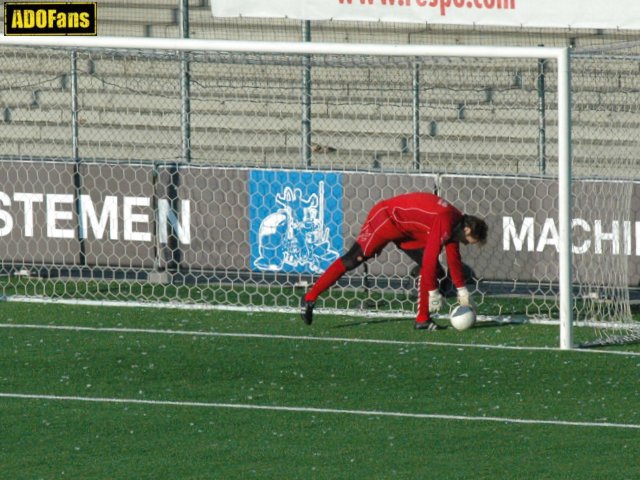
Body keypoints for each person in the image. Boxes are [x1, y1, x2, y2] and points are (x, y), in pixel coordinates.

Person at [301, 192, 488, 330]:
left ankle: (423, 319)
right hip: (386, 218)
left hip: (407, 230)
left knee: (434, 270)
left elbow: (453, 259)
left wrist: (462, 291)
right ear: (468, 231)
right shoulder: (446, 220)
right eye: (473, 242)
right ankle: (310, 297)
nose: (470, 245)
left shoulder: (456, 225)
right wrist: (433, 291)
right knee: (353, 260)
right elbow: (431, 258)